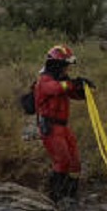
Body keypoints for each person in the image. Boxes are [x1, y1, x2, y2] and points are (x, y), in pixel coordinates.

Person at [34, 44, 94, 202]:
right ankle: (55, 198)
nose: (67, 69)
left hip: (63, 127)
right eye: (65, 66)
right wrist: (72, 83)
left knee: (75, 162)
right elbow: (54, 89)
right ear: (57, 65)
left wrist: (82, 88)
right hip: (51, 127)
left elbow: (72, 93)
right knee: (63, 161)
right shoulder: (44, 81)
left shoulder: (63, 80)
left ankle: (71, 196)